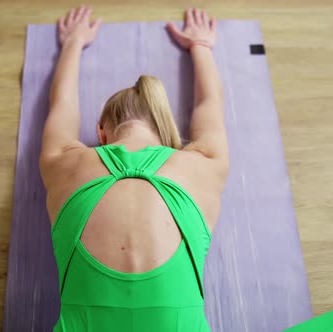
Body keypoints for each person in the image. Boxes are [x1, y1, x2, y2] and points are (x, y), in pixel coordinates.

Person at [40, 5, 228, 331]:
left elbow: (62, 104)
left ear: (101, 131)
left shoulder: (62, 162)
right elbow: (210, 104)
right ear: (166, 127)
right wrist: (201, 46)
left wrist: (72, 43)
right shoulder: (205, 164)